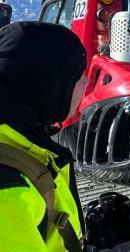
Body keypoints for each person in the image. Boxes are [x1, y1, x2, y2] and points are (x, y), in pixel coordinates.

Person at [0, 22, 88, 252]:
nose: (87, 82)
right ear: (52, 87)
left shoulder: (24, 143)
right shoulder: (8, 190)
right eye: (79, 76)